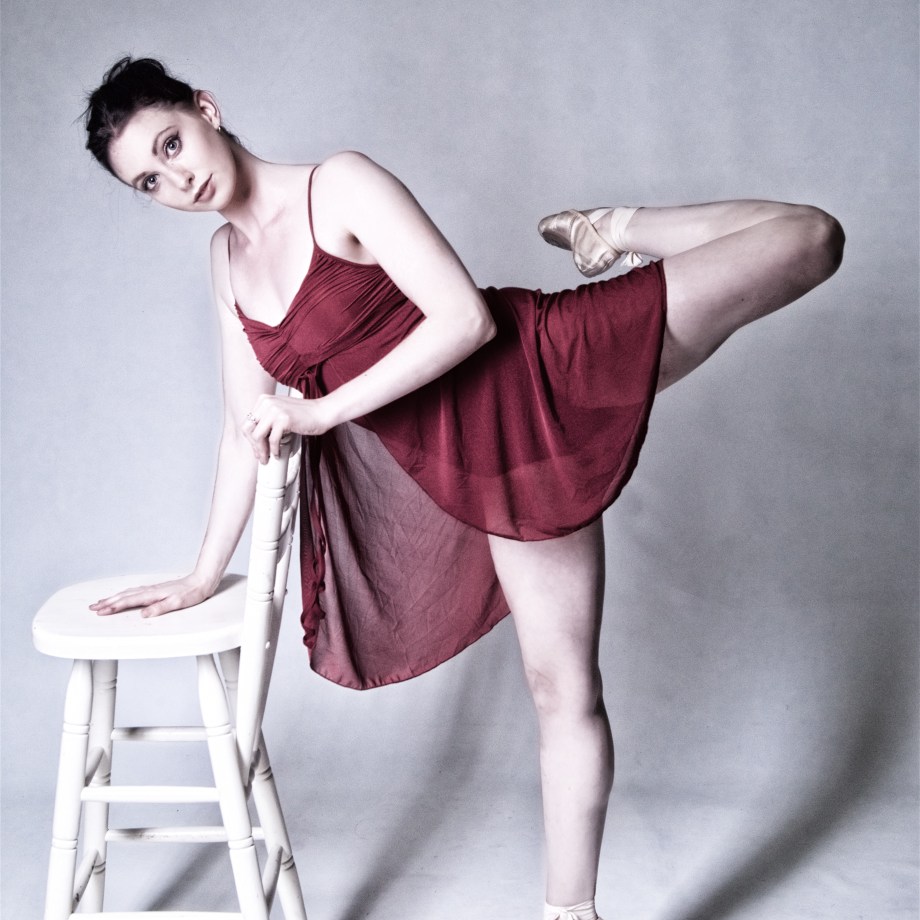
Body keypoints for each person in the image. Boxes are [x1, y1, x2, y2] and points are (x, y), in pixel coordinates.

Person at [84, 57, 844, 920]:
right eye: (150, 179)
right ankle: (572, 913)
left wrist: (323, 411)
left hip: (537, 362)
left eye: (172, 143)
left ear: (207, 109)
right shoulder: (227, 265)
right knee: (562, 687)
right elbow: (240, 427)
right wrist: (197, 572)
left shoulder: (338, 186)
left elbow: (466, 320)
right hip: (493, 457)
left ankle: (622, 224)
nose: (177, 178)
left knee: (811, 239)